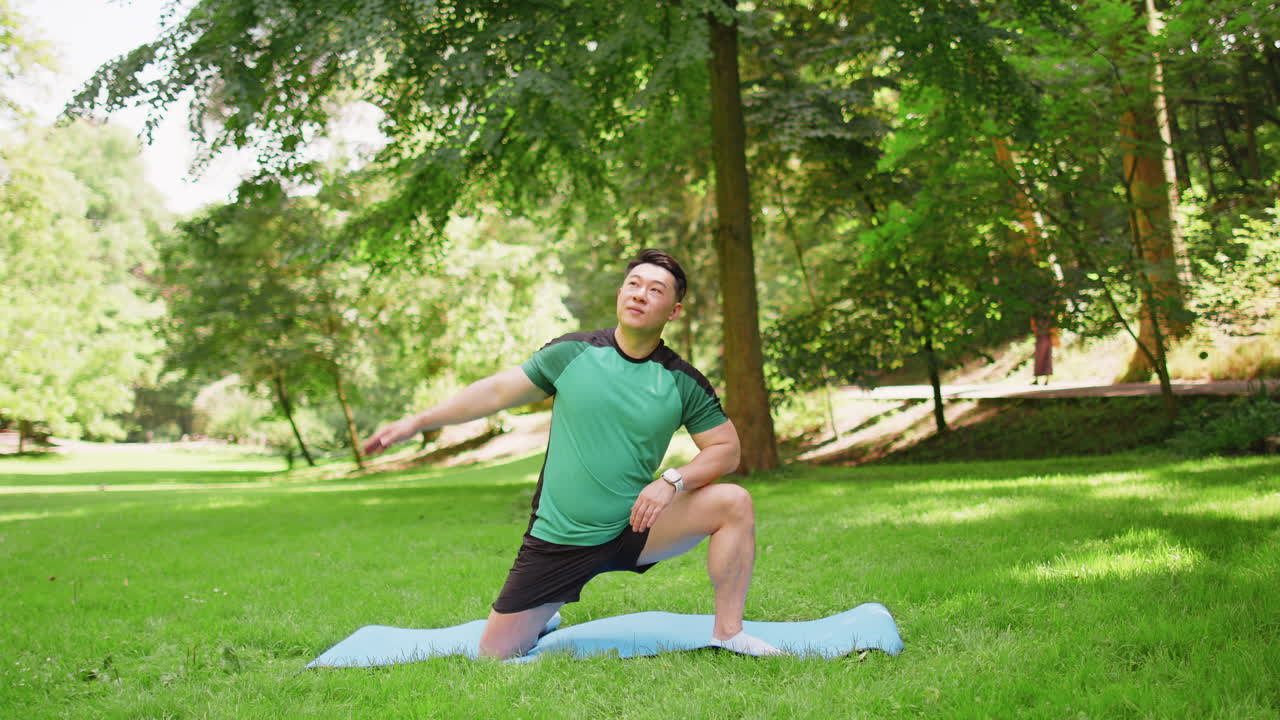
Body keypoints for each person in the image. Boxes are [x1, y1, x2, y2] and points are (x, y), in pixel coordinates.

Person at [362, 249, 784, 659]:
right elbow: (494, 392)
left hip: (635, 526)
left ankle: (729, 633)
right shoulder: (573, 353)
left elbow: (726, 450)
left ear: (674, 310)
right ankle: (546, 612)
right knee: (495, 655)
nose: (640, 294)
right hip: (559, 541)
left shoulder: (681, 380)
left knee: (734, 502)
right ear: (620, 294)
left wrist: (671, 481)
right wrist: (418, 422)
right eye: (633, 284)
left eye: (655, 290)